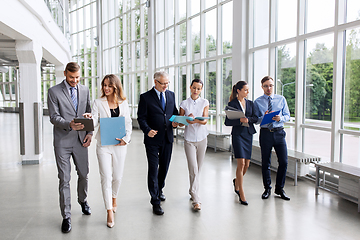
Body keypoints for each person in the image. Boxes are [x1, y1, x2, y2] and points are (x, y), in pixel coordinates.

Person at [47, 62, 92, 233]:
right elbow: (53, 117)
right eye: (72, 77)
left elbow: (88, 113)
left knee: (84, 174)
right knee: (64, 179)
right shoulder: (54, 92)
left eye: (78, 77)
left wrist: (89, 133)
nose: (75, 81)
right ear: (65, 73)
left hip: (81, 140)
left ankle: (83, 200)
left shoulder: (85, 90)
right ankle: (66, 216)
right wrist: (69, 124)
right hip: (62, 142)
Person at [89, 74, 132, 228]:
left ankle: (114, 197)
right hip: (103, 145)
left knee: (117, 177)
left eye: (109, 86)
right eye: (104, 85)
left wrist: (126, 139)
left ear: (116, 87)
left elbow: (128, 124)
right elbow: (94, 121)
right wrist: (89, 118)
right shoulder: (98, 102)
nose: (106, 88)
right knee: (106, 177)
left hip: (120, 145)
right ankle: (109, 211)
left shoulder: (124, 103)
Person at [137, 71, 179, 215]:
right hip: (152, 140)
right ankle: (155, 201)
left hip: (167, 138)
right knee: (153, 169)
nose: (165, 86)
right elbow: (141, 118)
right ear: (155, 82)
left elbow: (174, 113)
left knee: (164, 168)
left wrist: (177, 122)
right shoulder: (145, 97)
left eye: (167, 83)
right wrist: (147, 130)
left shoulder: (171, 95)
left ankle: (160, 188)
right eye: (163, 83)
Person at [254, 76, 291, 201]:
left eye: (270, 85)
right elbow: (255, 120)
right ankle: (267, 188)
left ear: (273, 86)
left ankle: (280, 188)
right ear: (262, 87)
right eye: (266, 86)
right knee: (266, 162)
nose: (268, 88)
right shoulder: (257, 102)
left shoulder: (281, 99)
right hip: (265, 133)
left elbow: (287, 115)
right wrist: (262, 118)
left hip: (279, 133)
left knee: (284, 162)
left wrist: (281, 118)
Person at [225, 81, 258, 205]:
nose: (247, 92)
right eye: (245, 90)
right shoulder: (232, 104)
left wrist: (248, 119)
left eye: (248, 90)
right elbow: (227, 122)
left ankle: (237, 181)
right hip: (238, 135)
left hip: (248, 134)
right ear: (238, 90)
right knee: (241, 162)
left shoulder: (250, 103)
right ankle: (241, 192)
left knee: (247, 164)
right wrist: (239, 119)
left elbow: (255, 118)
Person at [178, 79, 209, 211]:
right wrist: (186, 119)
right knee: (193, 168)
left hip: (202, 138)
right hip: (189, 140)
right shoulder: (184, 103)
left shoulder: (205, 102)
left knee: (198, 169)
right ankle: (197, 200)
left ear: (201, 89)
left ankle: (192, 190)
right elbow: (180, 123)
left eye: (199, 88)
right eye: (194, 88)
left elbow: (205, 120)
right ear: (190, 87)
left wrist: (194, 119)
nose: (196, 90)